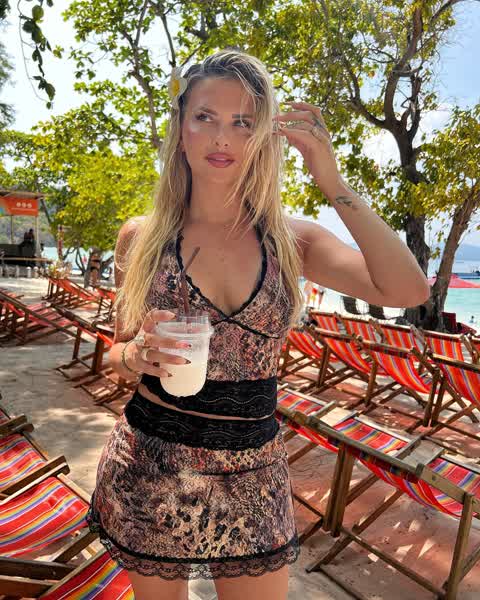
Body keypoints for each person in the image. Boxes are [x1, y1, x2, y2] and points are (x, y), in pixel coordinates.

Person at [86, 50, 430, 600]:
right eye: (205, 117)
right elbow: (116, 353)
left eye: (243, 122)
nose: (223, 137)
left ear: (264, 137)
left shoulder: (292, 241)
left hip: (253, 475)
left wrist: (332, 181)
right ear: (180, 129)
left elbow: (408, 290)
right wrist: (135, 355)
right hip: (151, 462)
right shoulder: (142, 237)